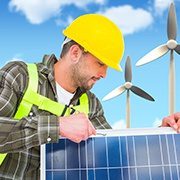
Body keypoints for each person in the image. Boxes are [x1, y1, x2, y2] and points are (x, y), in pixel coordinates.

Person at [0, 14, 124, 179]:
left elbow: (115, 154)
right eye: (100, 63)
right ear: (75, 53)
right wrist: (56, 126)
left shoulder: (91, 105)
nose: (104, 74)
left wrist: (162, 134)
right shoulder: (20, 77)